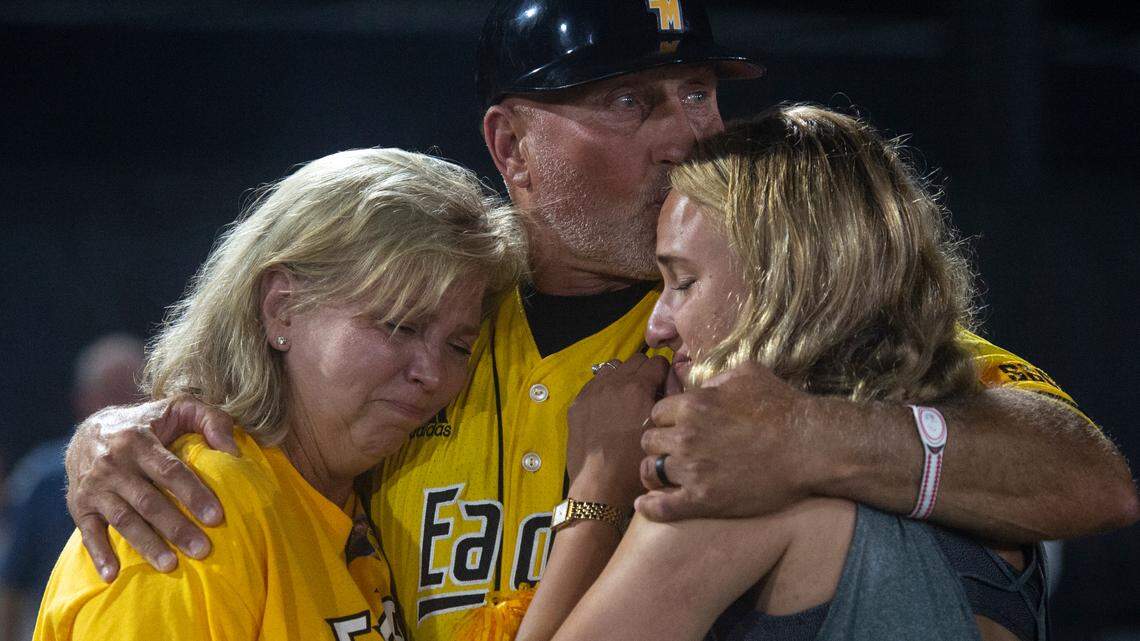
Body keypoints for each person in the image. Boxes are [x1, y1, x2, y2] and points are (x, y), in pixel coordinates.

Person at [59, 2, 1137, 640]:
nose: (690, 134)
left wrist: (814, 436)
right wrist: (119, 435)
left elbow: (1085, 476)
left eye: (702, 94)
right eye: (632, 101)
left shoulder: (762, 323)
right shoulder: (432, 317)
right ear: (512, 144)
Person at [519, 105, 1049, 641]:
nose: (656, 326)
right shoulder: (999, 507)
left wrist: (596, 491)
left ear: (785, 291)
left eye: (683, 282)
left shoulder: (729, 497)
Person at [34, 148, 526, 640]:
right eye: (398, 324)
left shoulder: (344, 504)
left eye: (459, 345)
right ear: (282, 308)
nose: (434, 373)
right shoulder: (188, 511)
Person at [0, 334, 144, 641]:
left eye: (133, 390)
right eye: (112, 391)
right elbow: (11, 583)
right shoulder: (41, 479)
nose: (124, 404)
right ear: (83, 399)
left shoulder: (179, 467)